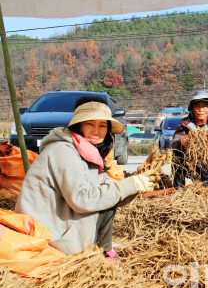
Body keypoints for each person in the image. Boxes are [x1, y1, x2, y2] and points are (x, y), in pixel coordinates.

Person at [15, 97, 157, 259]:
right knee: (101, 199)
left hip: (64, 221)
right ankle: (99, 251)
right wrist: (128, 185)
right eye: (90, 124)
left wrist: (136, 186)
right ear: (78, 126)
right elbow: (82, 200)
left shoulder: (89, 153)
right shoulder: (63, 151)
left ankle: (104, 250)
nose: (96, 131)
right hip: (47, 231)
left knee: (107, 197)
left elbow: (107, 193)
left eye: (102, 126)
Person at [172, 91, 208, 187]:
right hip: (191, 164)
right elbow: (175, 144)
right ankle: (179, 187)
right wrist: (183, 142)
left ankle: (205, 186)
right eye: (197, 106)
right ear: (192, 109)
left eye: (204, 106)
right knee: (176, 154)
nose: (200, 109)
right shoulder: (185, 125)